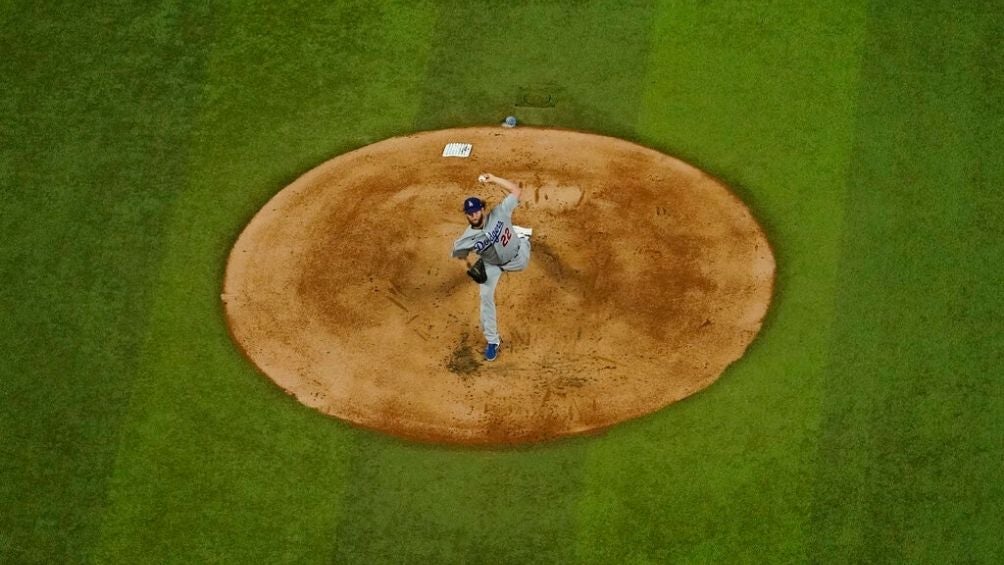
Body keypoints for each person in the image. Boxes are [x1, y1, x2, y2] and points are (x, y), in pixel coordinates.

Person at [451, 173, 532, 361]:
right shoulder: (466, 238)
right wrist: (469, 269)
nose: (474, 215)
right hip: (492, 265)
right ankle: (493, 341)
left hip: (517, 256)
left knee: (522, 251)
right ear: (466, 215)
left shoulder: (499, 212)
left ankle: (521, 236)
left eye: (477, 211)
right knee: (485, 296)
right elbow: (459, 253)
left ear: (482, 209)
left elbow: (516, 191)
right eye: (470, 213)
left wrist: (494, 178)